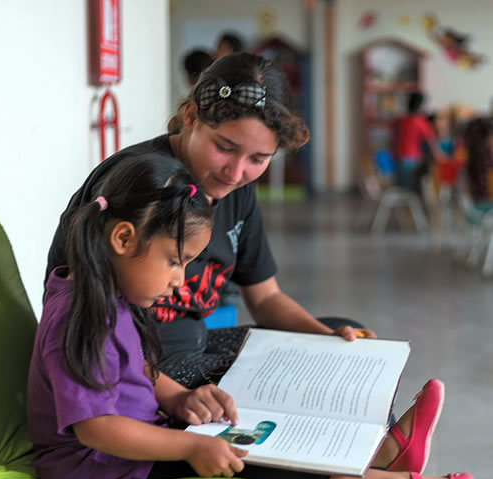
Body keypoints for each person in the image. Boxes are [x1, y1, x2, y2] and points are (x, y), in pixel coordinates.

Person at [30, 153, 475, 479]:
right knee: (247, 462)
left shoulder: (113, 293)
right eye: (174, 261)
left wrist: (180, 396)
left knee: (253, 437)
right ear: (123, 239)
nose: (179, 280)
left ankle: (376, 457)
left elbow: (139, 370)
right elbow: (97, 428)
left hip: (138, 435)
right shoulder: (82, 314)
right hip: (101, 464)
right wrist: (187, 448)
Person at [47, 53, 381, 390]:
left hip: (196, 344)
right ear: (191, 116)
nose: (236, 173)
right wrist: (174, 395)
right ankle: (392, 443)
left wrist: (327, 337)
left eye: (258, 159)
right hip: (139, 361)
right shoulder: (144, 182)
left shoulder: (237, 191)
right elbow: (95, 331)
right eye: (224, 147)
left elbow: (265, 299)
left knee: (344, 338)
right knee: (281, 381)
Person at [393, 92, 441, 194]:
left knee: (406, 190)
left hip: (397, 162)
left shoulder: (399, 120)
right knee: (426, 183)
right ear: (421, 106)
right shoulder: (420, 122)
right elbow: (432, 146)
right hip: (411, 163)